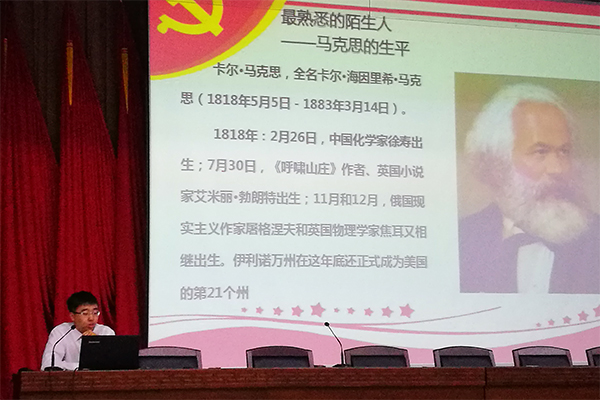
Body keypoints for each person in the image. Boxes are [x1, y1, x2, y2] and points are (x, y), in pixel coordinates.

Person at [459, 83, 599, 293]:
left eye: (564, 151)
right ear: (498, 161)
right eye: (540, 152)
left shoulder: (595, 237)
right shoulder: (462, 238)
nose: (558, 169)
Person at [41, 291, 114, 370]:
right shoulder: (61, 332)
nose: (91, 318)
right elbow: (48, 364)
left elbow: (110, 365)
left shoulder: (106, 332)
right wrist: (82, 367)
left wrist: (96, 342)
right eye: (85, 313)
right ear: (72, 316)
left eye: (95, 313)